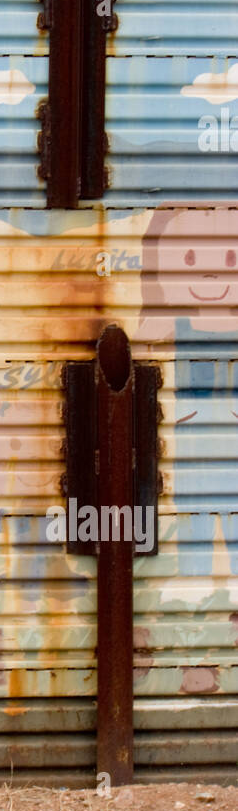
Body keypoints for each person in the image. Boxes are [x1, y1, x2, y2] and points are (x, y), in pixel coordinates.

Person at [139, 204, 238, 576]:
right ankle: (195, 588)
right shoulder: (173, 323)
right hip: (192, 441)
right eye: (190, 258)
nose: (211, 275)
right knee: (194, 518)